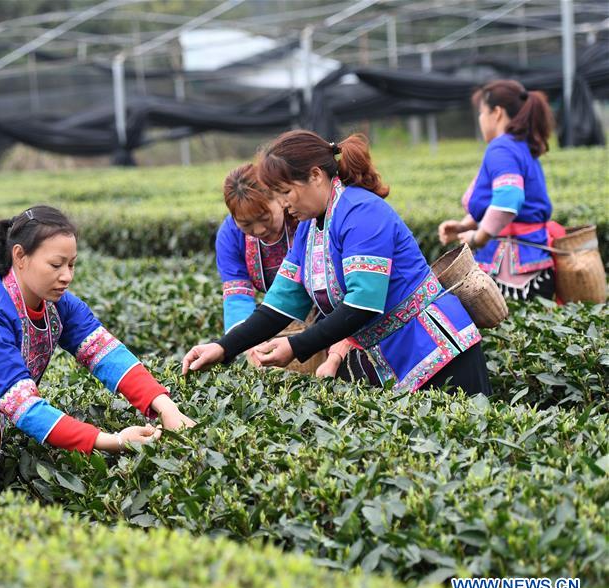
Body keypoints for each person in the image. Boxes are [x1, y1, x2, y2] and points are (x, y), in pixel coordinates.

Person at [0, 206, 196, 487]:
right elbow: (24, 407)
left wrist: (167, 409)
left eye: (72, 265)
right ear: (20, 257)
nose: (67, 276)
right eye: (56, 264)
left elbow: (104, 352)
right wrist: (112, 441)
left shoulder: (55, 303)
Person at [183, 130, 491, 396]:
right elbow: (279, 305)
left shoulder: (361, 211)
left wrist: (296, 346)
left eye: (286, 192)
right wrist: (223, 348)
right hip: (397, 358)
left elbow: (363, 304)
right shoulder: (309, 228)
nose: (285, 204)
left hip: (440, 351)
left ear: (315, 176)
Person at [217, 162, 348, 375]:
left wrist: (335, 354)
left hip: (331, 315)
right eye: (246, 224)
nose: (258, 229)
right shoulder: (230, 236)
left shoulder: (305, 216)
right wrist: (247, 345)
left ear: (278, 198)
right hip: (278, 315)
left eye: (264, 217)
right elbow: (237, 297)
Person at [438, 79, 560, 300]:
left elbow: (508, 201)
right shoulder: (521, 145)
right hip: (532, 267)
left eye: (482, 112)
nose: (480, 119)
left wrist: (479, 238)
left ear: (497, 112)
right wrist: (465, 225)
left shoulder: (502, 147)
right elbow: (499, 201)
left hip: (512, 277)